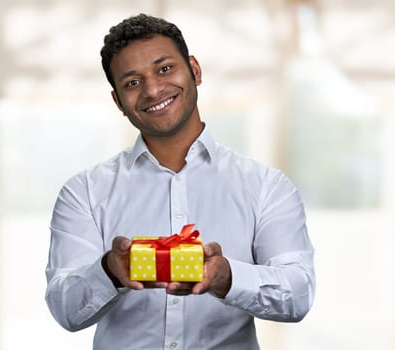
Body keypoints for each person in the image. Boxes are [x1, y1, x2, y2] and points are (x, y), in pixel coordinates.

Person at [45, 13, 315, 350]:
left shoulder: (266, 186)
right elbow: (65, 309)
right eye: (132, 82)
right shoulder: (83, 192)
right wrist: (110, 272)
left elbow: (299, 293)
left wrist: (226, 277)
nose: (153, 89)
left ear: (195, 71)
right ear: (118, 101)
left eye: (164, 68)